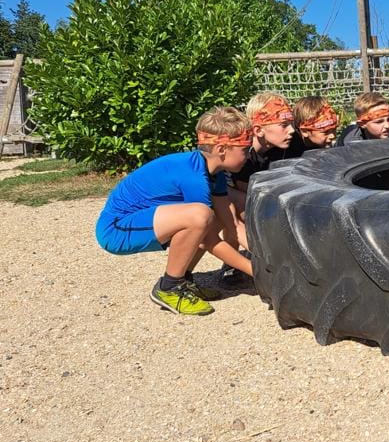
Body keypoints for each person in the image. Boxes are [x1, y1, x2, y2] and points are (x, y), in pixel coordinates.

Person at [95, 106, 254, 315]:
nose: (249, 155)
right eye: (245, 149)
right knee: (201, 216)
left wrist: (262, 258)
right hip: (117, 229)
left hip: (141, 221)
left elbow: (232, 224)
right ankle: (169, 287)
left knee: (213, 218)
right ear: (222, 149)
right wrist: (255, 271)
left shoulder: (213, 173)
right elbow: (208, 240)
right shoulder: (193, 176)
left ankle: (184, 279)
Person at [223, 92, 304, 285]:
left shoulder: (293, 144)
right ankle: (232, 263)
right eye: (283, 125)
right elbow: (244, 192)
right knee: (243, 206)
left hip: (273, 194)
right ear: (259, 130)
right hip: (239, 196)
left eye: (291, 123)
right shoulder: (241, 154)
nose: (291, 130)